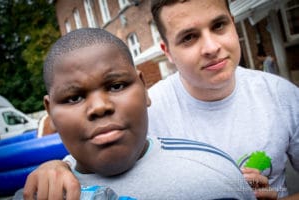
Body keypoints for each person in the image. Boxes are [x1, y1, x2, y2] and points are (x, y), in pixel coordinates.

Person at [22, 0, 299, 199]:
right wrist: (57, 167)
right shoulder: (141, 109)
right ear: (166, 51)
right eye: (189, 37)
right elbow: (93, 156)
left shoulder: (283, 96)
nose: (212, 47)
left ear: (233, 24)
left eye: (219, 26)